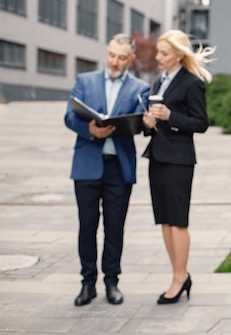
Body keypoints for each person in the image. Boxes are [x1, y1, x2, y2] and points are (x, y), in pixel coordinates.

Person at [65, 33, 150, 306]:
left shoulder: (140, 88)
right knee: (86, 226)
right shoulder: (84, 81)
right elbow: (69, 116)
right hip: (87, 165)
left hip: (119, 168)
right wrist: (88, 129)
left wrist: (145, 122)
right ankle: (87, 283)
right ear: (107, 53)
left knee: (115, 228)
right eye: (112, 55)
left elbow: (142, 124)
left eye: (122, 57)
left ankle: (112, 282)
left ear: (131, 59)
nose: (115, 61)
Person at [141, 29, 212, 304]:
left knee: (178, 221)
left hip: (180, 160)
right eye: (158, 52)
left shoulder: (192, 83)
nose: (158, 57)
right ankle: (178, 273)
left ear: (179, 55)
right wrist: (148, 123)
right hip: (157, 157)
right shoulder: (159, 82)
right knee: (165, 220)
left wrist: (170, 116)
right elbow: (154, 120)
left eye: (163, 53)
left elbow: (200, 123)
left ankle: (180, 277)